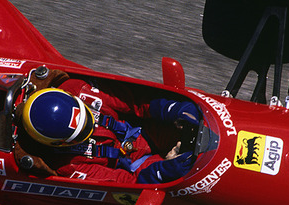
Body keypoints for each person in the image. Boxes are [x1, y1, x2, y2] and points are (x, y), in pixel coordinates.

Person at [16, 77, 200, 183]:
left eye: (86, 118)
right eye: (80, 132)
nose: (91, 127)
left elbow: (133, 101)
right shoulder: (66, 166)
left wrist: (172, 109)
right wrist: (163, 171)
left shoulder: (80, 90)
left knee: (194, 122)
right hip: (134, 166)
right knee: (187, 170)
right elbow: (126, 182)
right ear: (57, 143)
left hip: (143, 133)